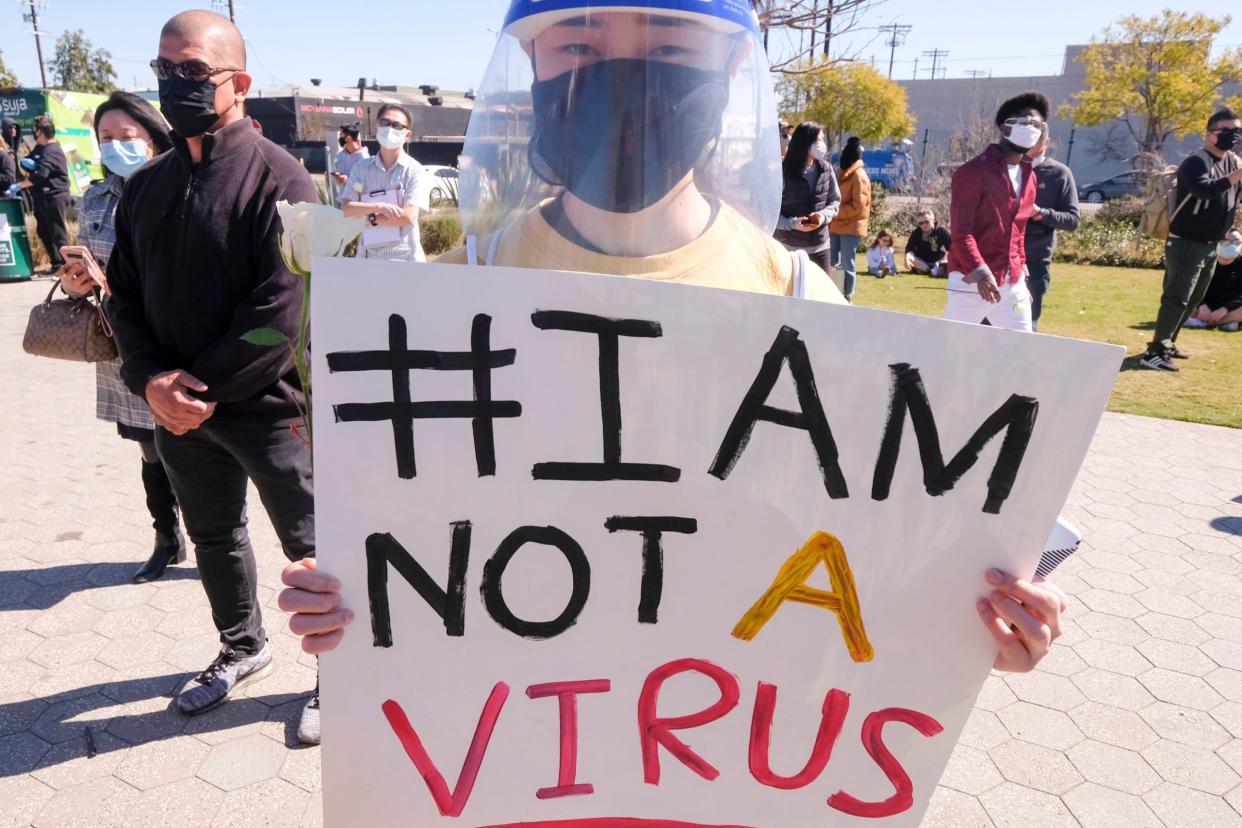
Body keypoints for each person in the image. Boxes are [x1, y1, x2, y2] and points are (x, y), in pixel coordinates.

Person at [279, 0, 1068, 678]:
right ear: (531, 58)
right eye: (582, 47)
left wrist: (963, 629)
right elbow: (412, 551)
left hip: (723, 754)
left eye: (668, 50)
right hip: (507, 753)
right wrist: (347, 601)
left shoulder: (802, 303)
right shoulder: (433, 313)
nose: (626, 83)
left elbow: (880, 550)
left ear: (728, 70)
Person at [105, 9, 321, 743]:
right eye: (165, 69)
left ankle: (343, 669)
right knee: (215, 537)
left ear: (240, 83)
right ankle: (243, 646)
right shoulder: (147, 187)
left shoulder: (283, 180)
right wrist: (150, 382)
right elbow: (122, 296)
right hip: (175, 412)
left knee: (315, 545)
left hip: (270, 408)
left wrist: (197, 391)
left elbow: (283, 311)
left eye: (194, 71)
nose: (174, 82)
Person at [56, 92, 187, 585]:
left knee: (197, 448)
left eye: (126, 137)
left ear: (152, 140)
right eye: (105, 138)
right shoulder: (95, 197)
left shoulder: (182, 190)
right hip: (121, 345)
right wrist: (76, 281)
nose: (115, 147)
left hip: (177, 339)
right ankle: (165, 538)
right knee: (148, 448)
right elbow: (83, 264)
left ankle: (216, 539)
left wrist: (117, 282)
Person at [1140, 107, 1242, 372]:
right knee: (1177, 297)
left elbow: (1229, 201)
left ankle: (1168, 343)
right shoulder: (1196, 162)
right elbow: (1203, 190)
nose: (1233, 136)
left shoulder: (1231, 161)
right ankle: (1154, 351)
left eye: (1237, 131)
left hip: (1211, 244)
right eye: (1227, 131)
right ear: (1209, 134)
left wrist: (1228, 229)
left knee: (1194, 298)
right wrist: (1236, 175)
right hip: (1186, 242)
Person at [944, 92, 1046, 333]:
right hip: (970, 281)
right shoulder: (972, 172)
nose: (1031, 128)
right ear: (1004, 126)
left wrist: (1021, 277)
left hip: (1012, 282)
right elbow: (961, 232)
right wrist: (981, 273)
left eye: (1037, 124)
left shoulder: (1029, 176)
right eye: (1024, 121)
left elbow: (1018, 232)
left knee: (1021, 349)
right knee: (952, 348)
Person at [337, 104, 430, 262]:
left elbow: (408, 216)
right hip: (367, 260)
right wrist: (380, 207)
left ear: (407, 135)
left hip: (406, 261)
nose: (389, 129)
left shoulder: (415, 170)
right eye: (385, 123)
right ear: (377, 126)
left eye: (397, 125)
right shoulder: (361, 169)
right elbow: (346, 208)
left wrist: (370, 218)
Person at [1023, 127, 1080, 330]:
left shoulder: (1059, 174)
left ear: (1048, 142)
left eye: (1037, 139)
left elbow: (1073, 219)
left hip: (1035, 259)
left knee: (1027, 321)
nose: (1030, 143)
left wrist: (1041, 213)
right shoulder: (1008, 168)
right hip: (1001, 256)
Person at [774, 121, 840, 279]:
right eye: (818, 140)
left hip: (820, 247)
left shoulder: (826, 169)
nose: (822, 145)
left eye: (822, 140)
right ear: (805, 142)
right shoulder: (782, 171)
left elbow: (835, 201)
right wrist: (792, 224)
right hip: (789, 248)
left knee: (820, 298)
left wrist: (822, 217)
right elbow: (770, 212)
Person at [14, 115, 71, 272]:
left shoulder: (53, 150)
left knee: (57, 232)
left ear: (40, 132)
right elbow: (30, 161)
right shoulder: (40, 148)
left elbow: (40, 176)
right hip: (41, 197)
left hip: (55, 196)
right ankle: (57, 263)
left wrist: (19, 185)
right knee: (44, 231)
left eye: (35, 129)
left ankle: (69, 266)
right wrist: (25, 163)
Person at [828, 136, 871, 301]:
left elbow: (858, 206)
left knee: (847, 263)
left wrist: (835, 212)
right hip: (836, 224)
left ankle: (847, 295)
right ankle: (832, 290)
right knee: (831, 261)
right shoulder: (840, 173)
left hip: (851, 226)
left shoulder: (859, 176)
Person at [1185, 231, 1242, 332]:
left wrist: (1225, 309)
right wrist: (1201, 305)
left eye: (1236, 242)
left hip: (1230, 309)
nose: (1232, 245)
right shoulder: (1206, 260)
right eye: (1227, 241)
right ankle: (1225, 323)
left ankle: (1207, 322)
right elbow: (1192, 285)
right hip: (1203, 306)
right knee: (1182, 296)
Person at [905, 209, 951, 276]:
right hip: (921, 262)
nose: (924, 225)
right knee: (910, 258)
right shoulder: (916, 233)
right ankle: (931, 271)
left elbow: (953, 248)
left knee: (948, 264)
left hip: (938, 261)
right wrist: (907, 259)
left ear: (933, 220)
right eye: (921, 223)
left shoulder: (942, 232)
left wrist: (947, 260)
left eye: (927, 222)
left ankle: (934, 270)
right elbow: (909, 249)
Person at [332, 121, 368, 188]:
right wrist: (337, 177)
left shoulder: (364, 159)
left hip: (357, 198)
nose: (339, 139)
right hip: (341, 197)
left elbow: (365, 187)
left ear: (348, 138)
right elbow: (335, 179)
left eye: (341, 136)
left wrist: (347, 180)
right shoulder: (339, 155)